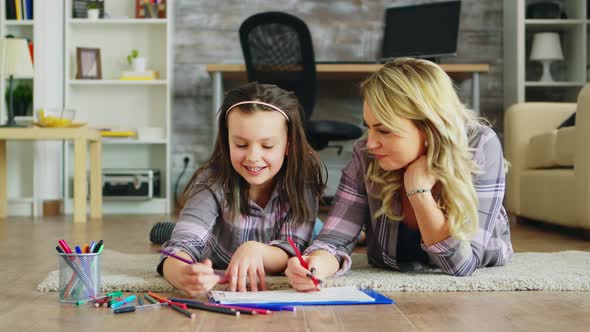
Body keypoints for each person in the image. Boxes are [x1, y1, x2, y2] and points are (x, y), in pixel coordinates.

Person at [286, 58, 513, 292]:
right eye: (368, 126)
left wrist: (419, 191)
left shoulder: (480, 145)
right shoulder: (365, 153)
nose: (370, 142)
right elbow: (334, 239)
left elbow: (461, 266)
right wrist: (314, 266)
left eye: (384, 130)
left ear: (430, 127)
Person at [158, 82, 326, 296]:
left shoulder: (302, 182)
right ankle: (164, 229)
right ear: (226, 141)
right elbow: (179, 249)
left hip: (287, 231)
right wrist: (182, 273)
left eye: (267, 146)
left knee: (319, 235)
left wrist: (255, 249)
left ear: (288, 146)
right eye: (240, 145)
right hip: (218, 239)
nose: (253, 157)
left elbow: (291, 249)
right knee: (173, 232)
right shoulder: (211, 182)